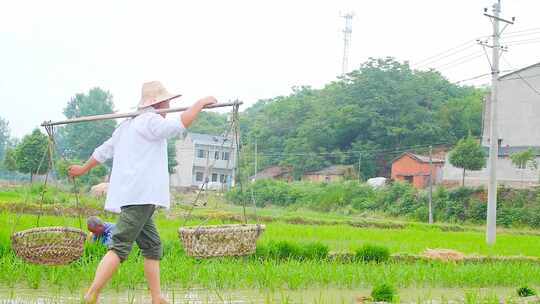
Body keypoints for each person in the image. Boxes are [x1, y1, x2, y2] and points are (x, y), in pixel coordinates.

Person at [68, 81, 217, 304]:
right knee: (119, 245)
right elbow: (179, 126)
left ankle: (157, 297)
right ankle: (91, 294)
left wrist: (82, 168)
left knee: (152, 246)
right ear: (158, 103)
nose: (168, 104)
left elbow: (102, 151)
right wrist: (200, 103)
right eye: (166, 101)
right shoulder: (150, 121)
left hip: (138, 197)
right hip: (140, 196)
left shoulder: (127, 125)